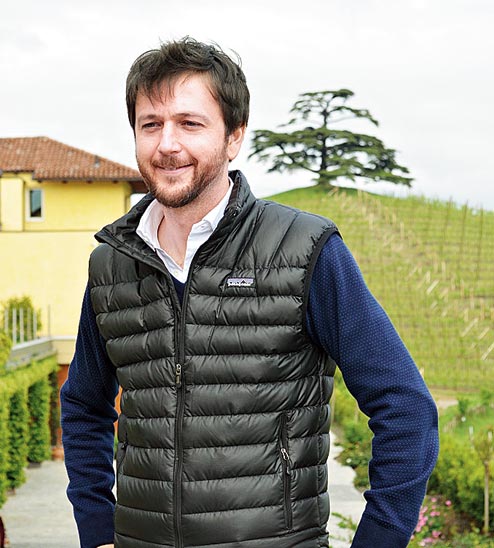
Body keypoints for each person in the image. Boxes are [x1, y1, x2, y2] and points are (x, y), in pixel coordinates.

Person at [61, 37, 439, 548]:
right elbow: (84, 406)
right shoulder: (112, 262)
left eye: (189, 123)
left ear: (234, 137)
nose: (167, 143)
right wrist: (96, 530)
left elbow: (406, 409)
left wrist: (380, 539)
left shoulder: (305, 250)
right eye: (151, 124)